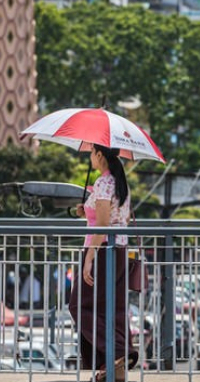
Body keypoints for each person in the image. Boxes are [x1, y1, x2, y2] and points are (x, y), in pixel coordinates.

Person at [68, 144, 137, 382]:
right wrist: (84, 210)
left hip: (102, 250)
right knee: (112, 307)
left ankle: (117, 353)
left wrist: (89, 258)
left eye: (91, 153)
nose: (90, 158)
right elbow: (118, 217)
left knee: (79, 305)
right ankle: (113, 367)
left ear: (99, 154)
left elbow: (103, 223)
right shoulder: (119, 183)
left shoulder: (104, 182)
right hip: (118, 250)